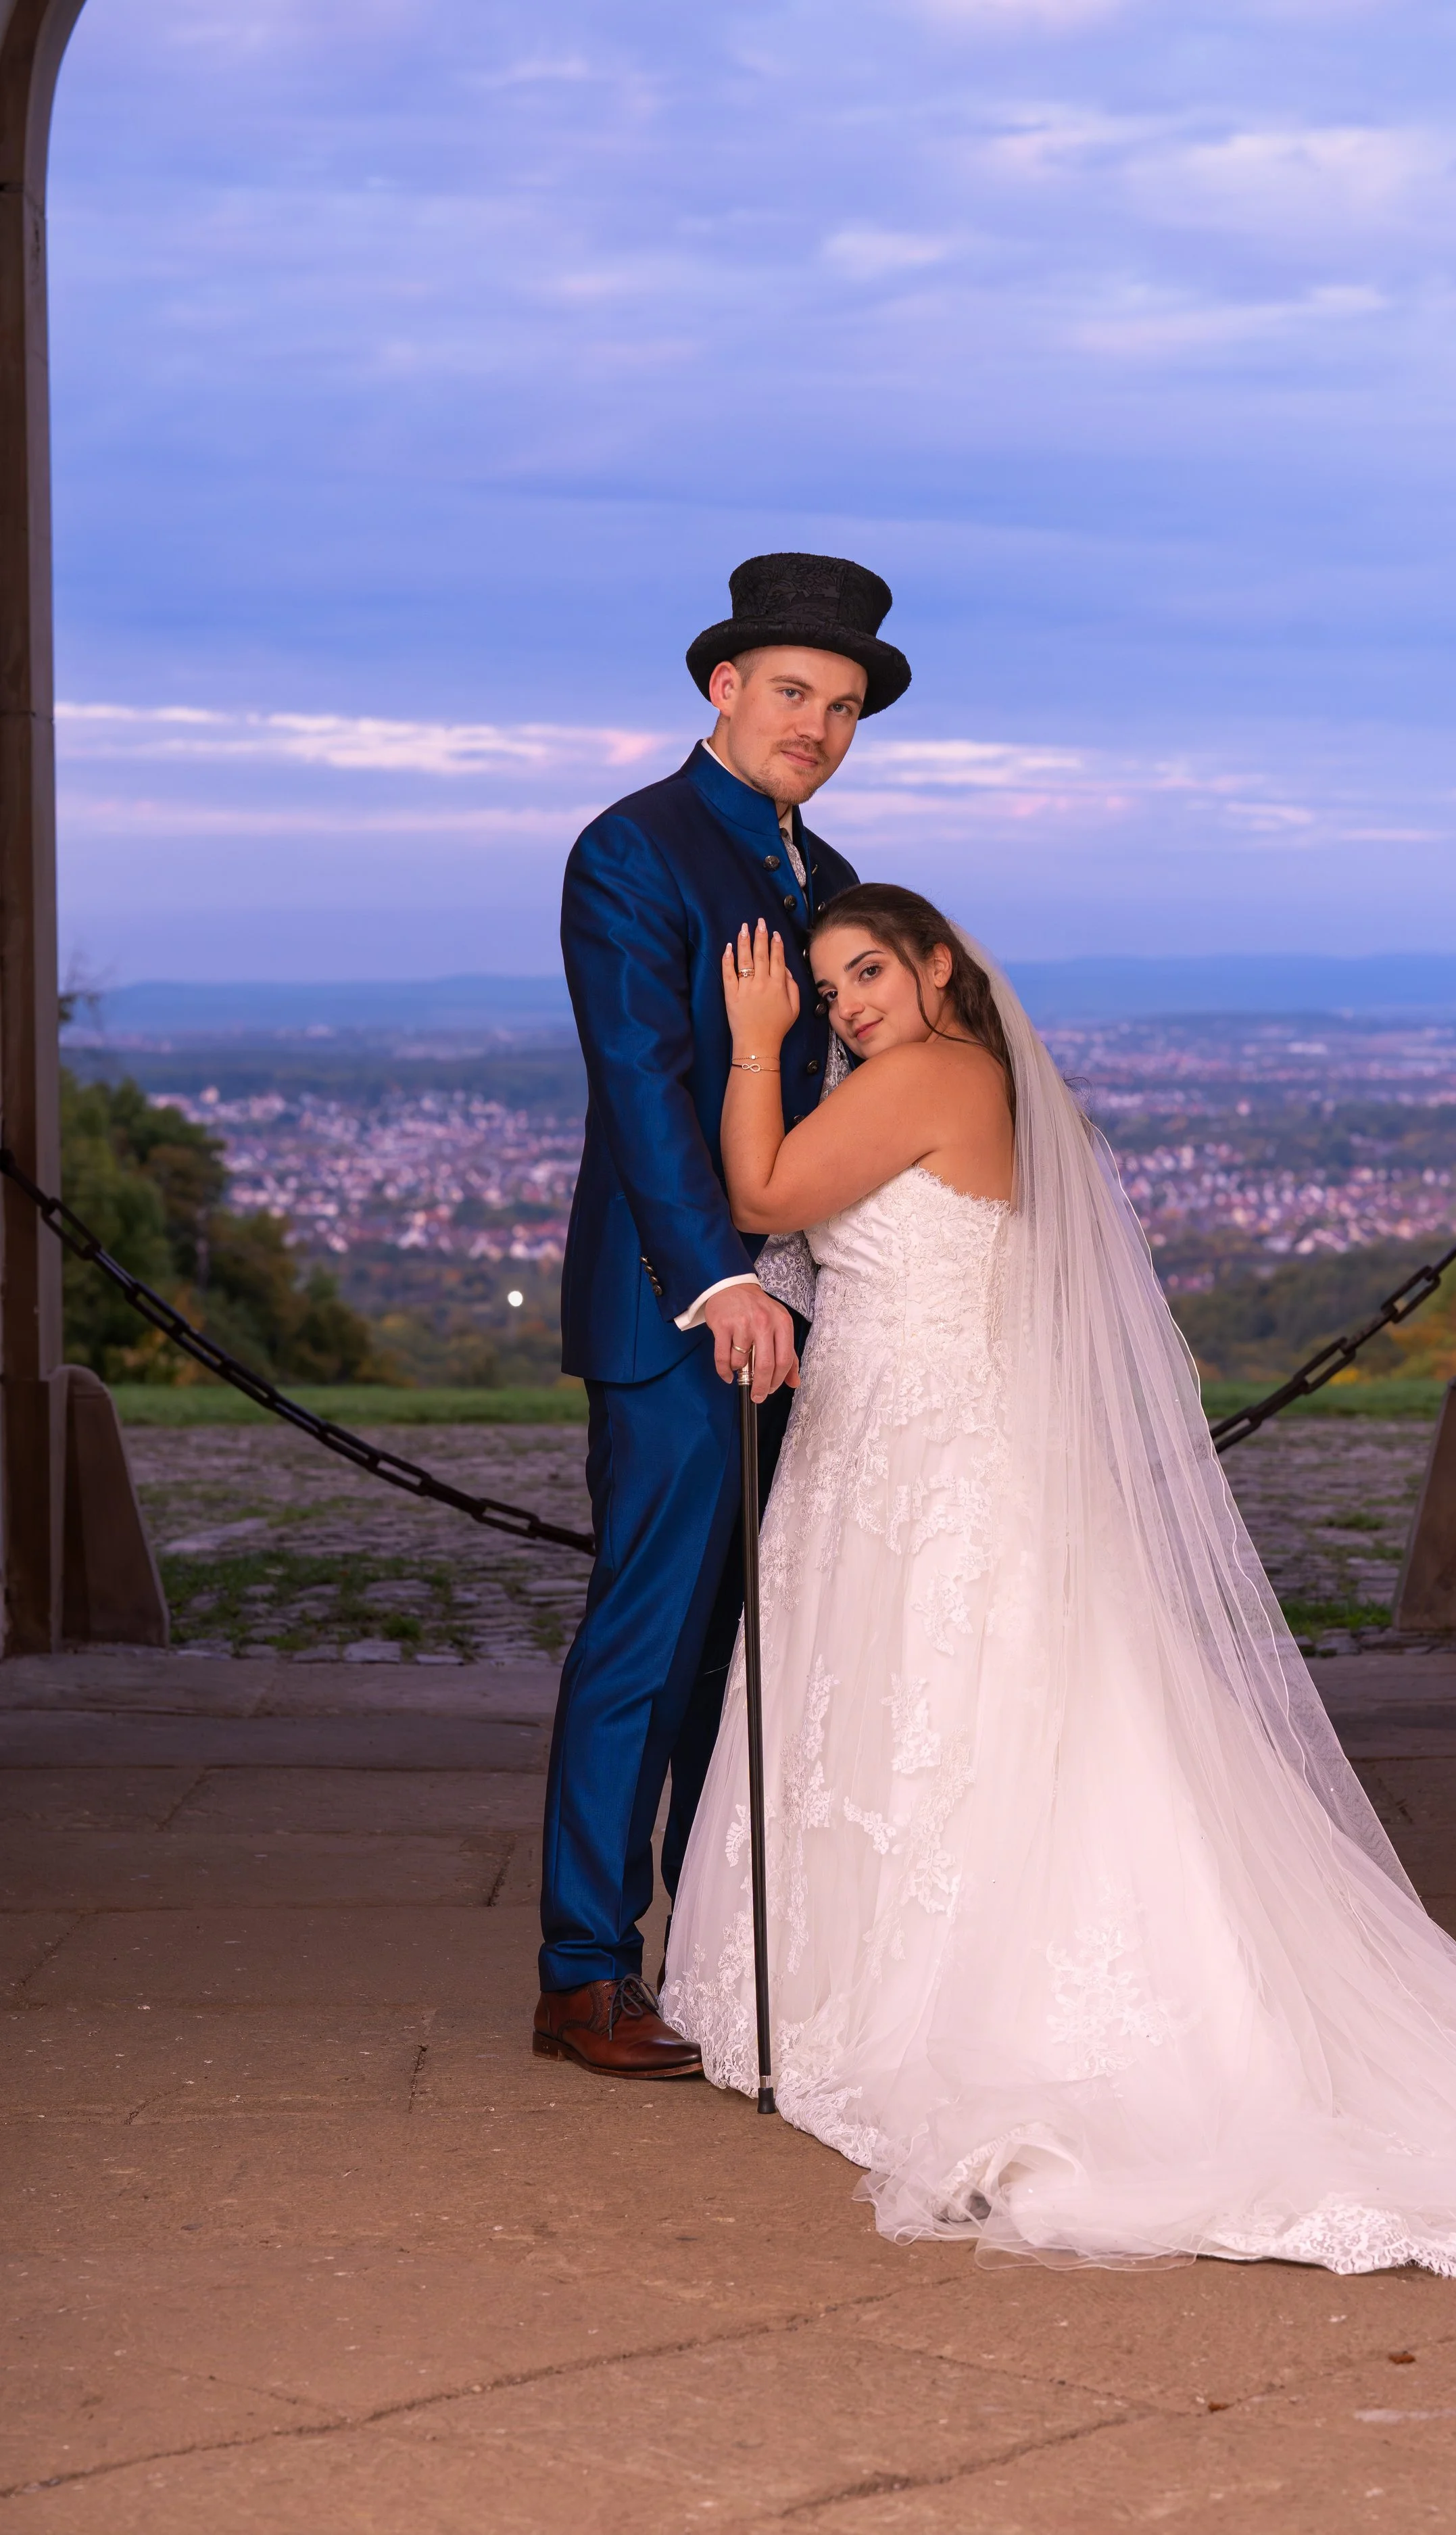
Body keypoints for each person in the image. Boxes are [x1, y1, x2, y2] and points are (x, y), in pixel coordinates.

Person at [664, 882, 1456, 2275]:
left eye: (864, 975)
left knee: (960, 1722)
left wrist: (745, 1039)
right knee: (935, 1721)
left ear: (936, 967)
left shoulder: (931, 1075)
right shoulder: (951, 1077)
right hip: (888, 1451)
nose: (843, 1005)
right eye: (826, 987)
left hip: (930, 1466)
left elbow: (761, 1192)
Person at [534, 555, 910, 2079]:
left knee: (748, 1660)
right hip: (675, 1308)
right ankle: (579, 1973)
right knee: (647, 1640)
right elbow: (642, 1087)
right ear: (722, 689)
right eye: (791, 694)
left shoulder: (823, 874)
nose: (814, 728)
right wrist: (721, 1283)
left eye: (841, 708)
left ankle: (711, 1961)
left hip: (815, 1309)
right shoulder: (631, 850)